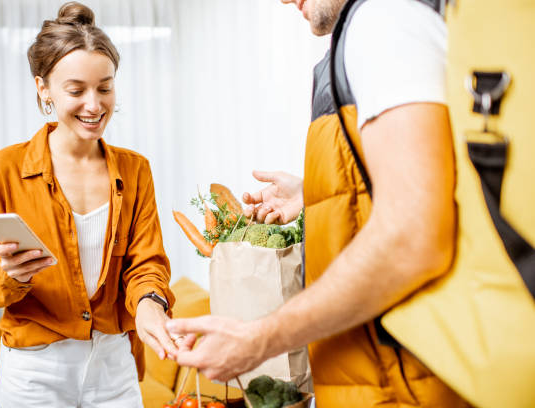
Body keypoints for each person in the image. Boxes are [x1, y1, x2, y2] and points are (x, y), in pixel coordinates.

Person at [168, 0, 471, 406]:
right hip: (374, 376)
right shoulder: (368, 30)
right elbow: (419, 178)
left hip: (401, 384)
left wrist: (260, 339)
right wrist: (311, 191)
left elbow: (412, 237)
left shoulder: (383, 22)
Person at [0, 2, 177, 407]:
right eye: (76, 90)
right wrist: (11, 275)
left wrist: (150, 305)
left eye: (105, 87)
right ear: (43, 88)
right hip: (32, 372)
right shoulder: (5, 168)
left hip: (114, 367)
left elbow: (146, 263)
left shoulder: (135, 170)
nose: (94, 105)